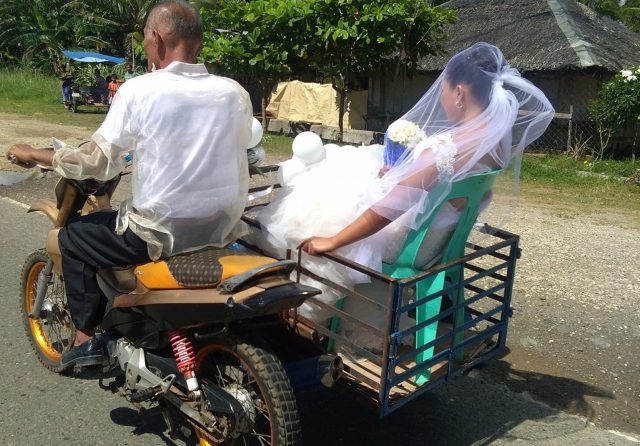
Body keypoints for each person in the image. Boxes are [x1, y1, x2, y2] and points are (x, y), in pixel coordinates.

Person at [250, 43, 554, 347]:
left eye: (444, 90)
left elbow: (390, 209)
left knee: (314, 212)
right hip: (444, 239)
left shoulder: (446, 148)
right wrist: (400, 174)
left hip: (413, 243)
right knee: (347, 179)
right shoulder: (497, 141)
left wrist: (334, 241)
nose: (441, 97)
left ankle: (297, 311)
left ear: (460, 92)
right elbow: (430, 188)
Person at [6, 0, 253, 369]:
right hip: (218, 226)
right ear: (199, 42)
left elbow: (95, 161)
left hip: (159, 232)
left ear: (155, 37)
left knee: (72, 237)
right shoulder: (234, 92)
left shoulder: (140, 90)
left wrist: (35, 154)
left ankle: (86, 338)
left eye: (145, 39)